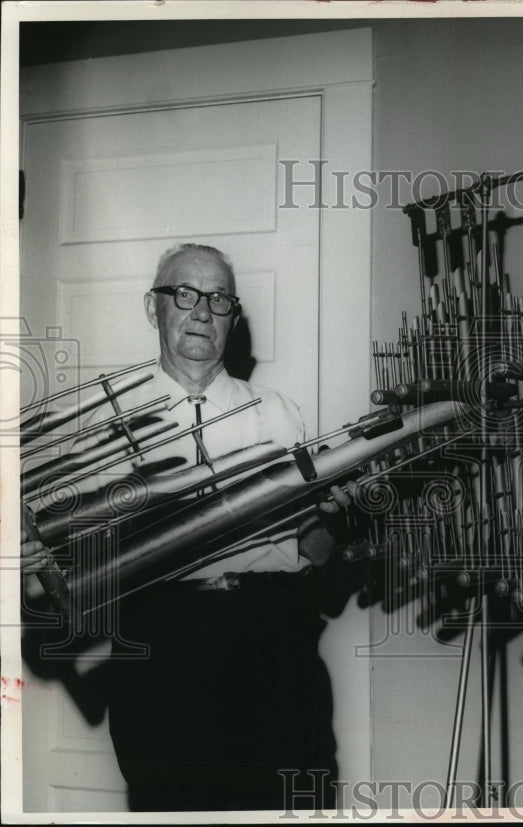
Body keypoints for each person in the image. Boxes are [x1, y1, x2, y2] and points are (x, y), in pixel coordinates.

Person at [22, 243, 351, 812]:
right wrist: (34, 553)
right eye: (185, 294)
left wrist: (337, 521)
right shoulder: (103, 423)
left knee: (287, 805)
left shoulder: (279, 412)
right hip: (160, 651)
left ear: (233, 315)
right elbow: (61, 551)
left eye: (219, 298)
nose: (202, 310)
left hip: (274, 644)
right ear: (155, 309)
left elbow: (313, 552)